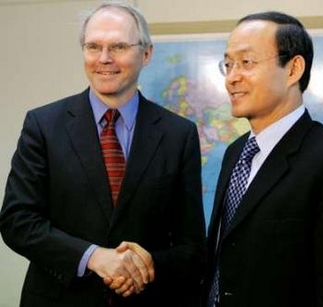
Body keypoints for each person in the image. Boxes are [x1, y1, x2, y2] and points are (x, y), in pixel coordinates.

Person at [0, 2, 206, 307]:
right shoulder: (43, 125)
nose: (104, 59)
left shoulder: (179, 134)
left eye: (119, 46)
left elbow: (191, 247)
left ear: (146, 54)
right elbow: (17, 221)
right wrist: (93, 257)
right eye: (93, 46)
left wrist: (143, 268)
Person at [204, 11, 323, 307]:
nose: (232, 77)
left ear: (293, 69)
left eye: (246, 62)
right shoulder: (235, 153)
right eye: (228, 64)